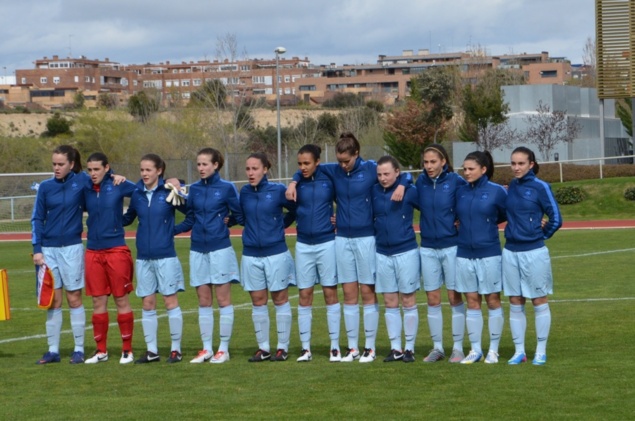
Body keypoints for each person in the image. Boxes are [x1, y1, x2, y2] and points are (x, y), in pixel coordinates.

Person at [286, 132, 409, 363]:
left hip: (366, 238)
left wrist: (402, 184)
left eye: (347, 161)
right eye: (339, 161)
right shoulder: (333, 170)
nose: (343, 165)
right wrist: (293, 181)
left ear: (357, 154)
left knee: (367, 293)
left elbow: (401, 173)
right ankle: (352, 348)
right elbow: (306, 168)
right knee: (350, 294)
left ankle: (369, 348)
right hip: (341, 239)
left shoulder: (371, 169)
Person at [175, 148, 242, 364]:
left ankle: (223, 349)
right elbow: (190, 217)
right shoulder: (193, 190)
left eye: (205, 164)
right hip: (197, 250)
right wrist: (170, 229)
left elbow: (239, 214)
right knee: (204, 301)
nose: (201, 168)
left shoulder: (227, 188)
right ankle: (206, 349)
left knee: (223, 300)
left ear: (216, 165)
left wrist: (228, 222)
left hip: (220, 249)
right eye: (199, 164)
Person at [123, 154, 186, 364]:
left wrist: (173, 231)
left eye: (148, 170)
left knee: (170, 302)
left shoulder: (169, 191)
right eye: (142, 170)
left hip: (166, 256)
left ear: (159, 171)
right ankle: (152, 351)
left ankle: (176, 350)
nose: (144, 174)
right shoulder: (137, 194)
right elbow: (128, 218)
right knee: (148, 303)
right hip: (143, 258)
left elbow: (191, 212)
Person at [503, 146, 562, 365]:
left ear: (531, 164)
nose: (516, 168)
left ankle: (540, 350)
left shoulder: (540, 187)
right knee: (515, 301)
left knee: (538, 299)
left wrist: (540, 234)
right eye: (513, 163)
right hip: (510, 251)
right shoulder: (509, 188)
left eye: (521, 163)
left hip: (534, 252)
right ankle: (519, 351)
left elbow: (556, 218)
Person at [31, 145, 89, 364]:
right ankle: (53, 351)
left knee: (74, 298)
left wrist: (116, 175)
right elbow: (37, 218)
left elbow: (103, 174)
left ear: (71, 164)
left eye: (60, 164)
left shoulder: (82, 181)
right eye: (54, 164)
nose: (56, 168)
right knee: (53, 301)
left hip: (72, 248)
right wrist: (38, 249)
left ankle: (79, 350)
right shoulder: (45, 187)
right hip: (48, 250)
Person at [240, 153, 296, 362]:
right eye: (248, 169)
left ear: (265, 169)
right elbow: (241, 217)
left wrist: (281, 225)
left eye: (255, 168)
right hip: (251, 254)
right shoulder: (244, 192)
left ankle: (282, 347)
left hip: (276, 253)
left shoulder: (278, 191)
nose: (250, 173)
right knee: (258, 301)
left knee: (280, 299)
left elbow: (294, 209)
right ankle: (263, 348)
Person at [415, 144, 468, 363]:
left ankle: (457, 348)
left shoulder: (456, 181)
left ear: (443, 162)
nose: (428, 166)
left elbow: (471, 198)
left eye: (433, 162)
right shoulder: (420, 182)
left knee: (454, 297)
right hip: (427, 247)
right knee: (432, 298)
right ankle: (437, 348)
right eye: (425, 162)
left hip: (452, 247)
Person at [83, 152, 137, 365]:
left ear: (107, 167)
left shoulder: (119, 184)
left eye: (97, 169)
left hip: (116, 250)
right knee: (98, 301)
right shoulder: (85, 186)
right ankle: (101, 350)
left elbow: (144, 190)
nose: (93, 173)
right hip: (93, 251)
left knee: (121, 298)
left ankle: (127, 350)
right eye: (90, 170)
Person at [455, 150, 507, 364]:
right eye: (464, 169)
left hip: (489, 253)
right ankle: (475, 350)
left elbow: (505, 214)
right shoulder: (460, 192)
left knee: (492, 300)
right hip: (464, 253)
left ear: (483, 169)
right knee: (472, 301)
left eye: (471, 169)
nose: (466, 173)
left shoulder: (497, 191)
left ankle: (493, 350)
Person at [292, 144, 340, 362]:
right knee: (304, 295)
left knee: (330, 293)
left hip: (327, 243)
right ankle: (305, 348)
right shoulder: (297, 182)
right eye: (300, 164)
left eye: (307, 163)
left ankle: (335, 347)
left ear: (318, 162)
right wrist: (293, 180)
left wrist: (343, 219)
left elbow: (348, 201)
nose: (303, 168)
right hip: (303, 245)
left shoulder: (329, 178)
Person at [372, 156, 420, 363]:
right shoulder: (373, 191)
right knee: (390, 301)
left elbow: (430, 209)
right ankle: (395, 348)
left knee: (408, 300)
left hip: (406, 251)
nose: (383, 178)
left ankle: (409, 348)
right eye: (380, 174)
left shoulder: (409, 191)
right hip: (382, 252)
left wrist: (404, 182)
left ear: (397, 172)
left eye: (387, 174)